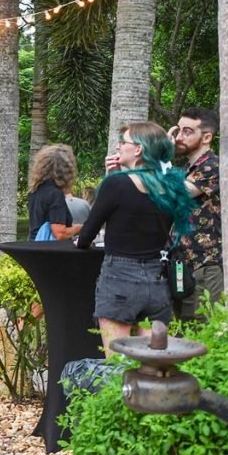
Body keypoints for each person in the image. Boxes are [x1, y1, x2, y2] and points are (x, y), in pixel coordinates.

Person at [77, 122, 195, 353]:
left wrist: (109, 179)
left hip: (119, 278)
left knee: (116, 363)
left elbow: (86, 236)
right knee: (154, 360)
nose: (119, 147)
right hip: (157, 281)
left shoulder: (117, 184)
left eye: (124, 142)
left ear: (139, 149)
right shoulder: (171, 187)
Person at [169, 107, 223, 320]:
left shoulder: (212, 165)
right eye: (179, 131)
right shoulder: (186, 170)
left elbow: (177, 193)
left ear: (207, 137)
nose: (179, 137)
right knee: (186, 334)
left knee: (208, 332)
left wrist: (161, 157)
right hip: (183, 264)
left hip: (206, 265)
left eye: (187, 131)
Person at [27, 144, 82, 240]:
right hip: (50, 251)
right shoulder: (55, 194)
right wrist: (80, 228)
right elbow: (60, 233)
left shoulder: (35, 190)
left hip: (33, 246)